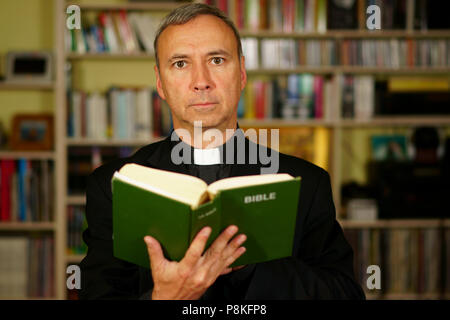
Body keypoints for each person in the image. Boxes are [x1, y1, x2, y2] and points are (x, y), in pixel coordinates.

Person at [79, 3, 365, 300]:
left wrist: (249, 266)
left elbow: (345, 295)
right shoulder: (113, 186)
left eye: (216, 60)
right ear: (160, 83)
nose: (201, 81)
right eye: (180, 63)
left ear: (241, 74)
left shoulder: (306, 182)